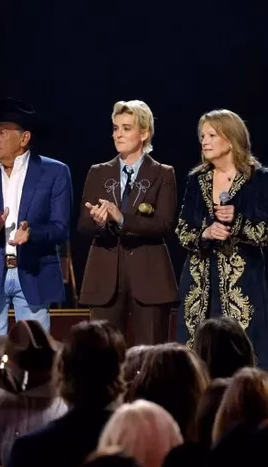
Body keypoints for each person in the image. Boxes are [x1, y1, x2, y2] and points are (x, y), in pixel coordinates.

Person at [0, 97, 72, 339]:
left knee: (35, 353)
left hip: (34, 272)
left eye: (2, 133)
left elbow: (61, 228)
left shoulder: (55, 172)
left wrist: (32, 233)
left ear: (24, 138)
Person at [175, 109, 268, 373]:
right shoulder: (196, 181)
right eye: (202, 136)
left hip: (242, 284)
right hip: (199, 283)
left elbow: (267, 231)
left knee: (243, 358)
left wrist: (238, 221)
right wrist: (205, 233)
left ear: (230, 139)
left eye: (211, 135)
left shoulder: (261, 180)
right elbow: (183, 231)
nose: (204, 142)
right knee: (198, 357)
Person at [78, 100, 179, 345]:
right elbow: (83, 225)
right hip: (104, 277)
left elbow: (164, 223)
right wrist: (100, 222)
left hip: (149, 276)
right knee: (103, 355)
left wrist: (122, 219)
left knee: (153, 356)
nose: (118, 134)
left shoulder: (163, 173)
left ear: (144, 133)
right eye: (115, 128)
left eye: (126, 128)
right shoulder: (98, 172)